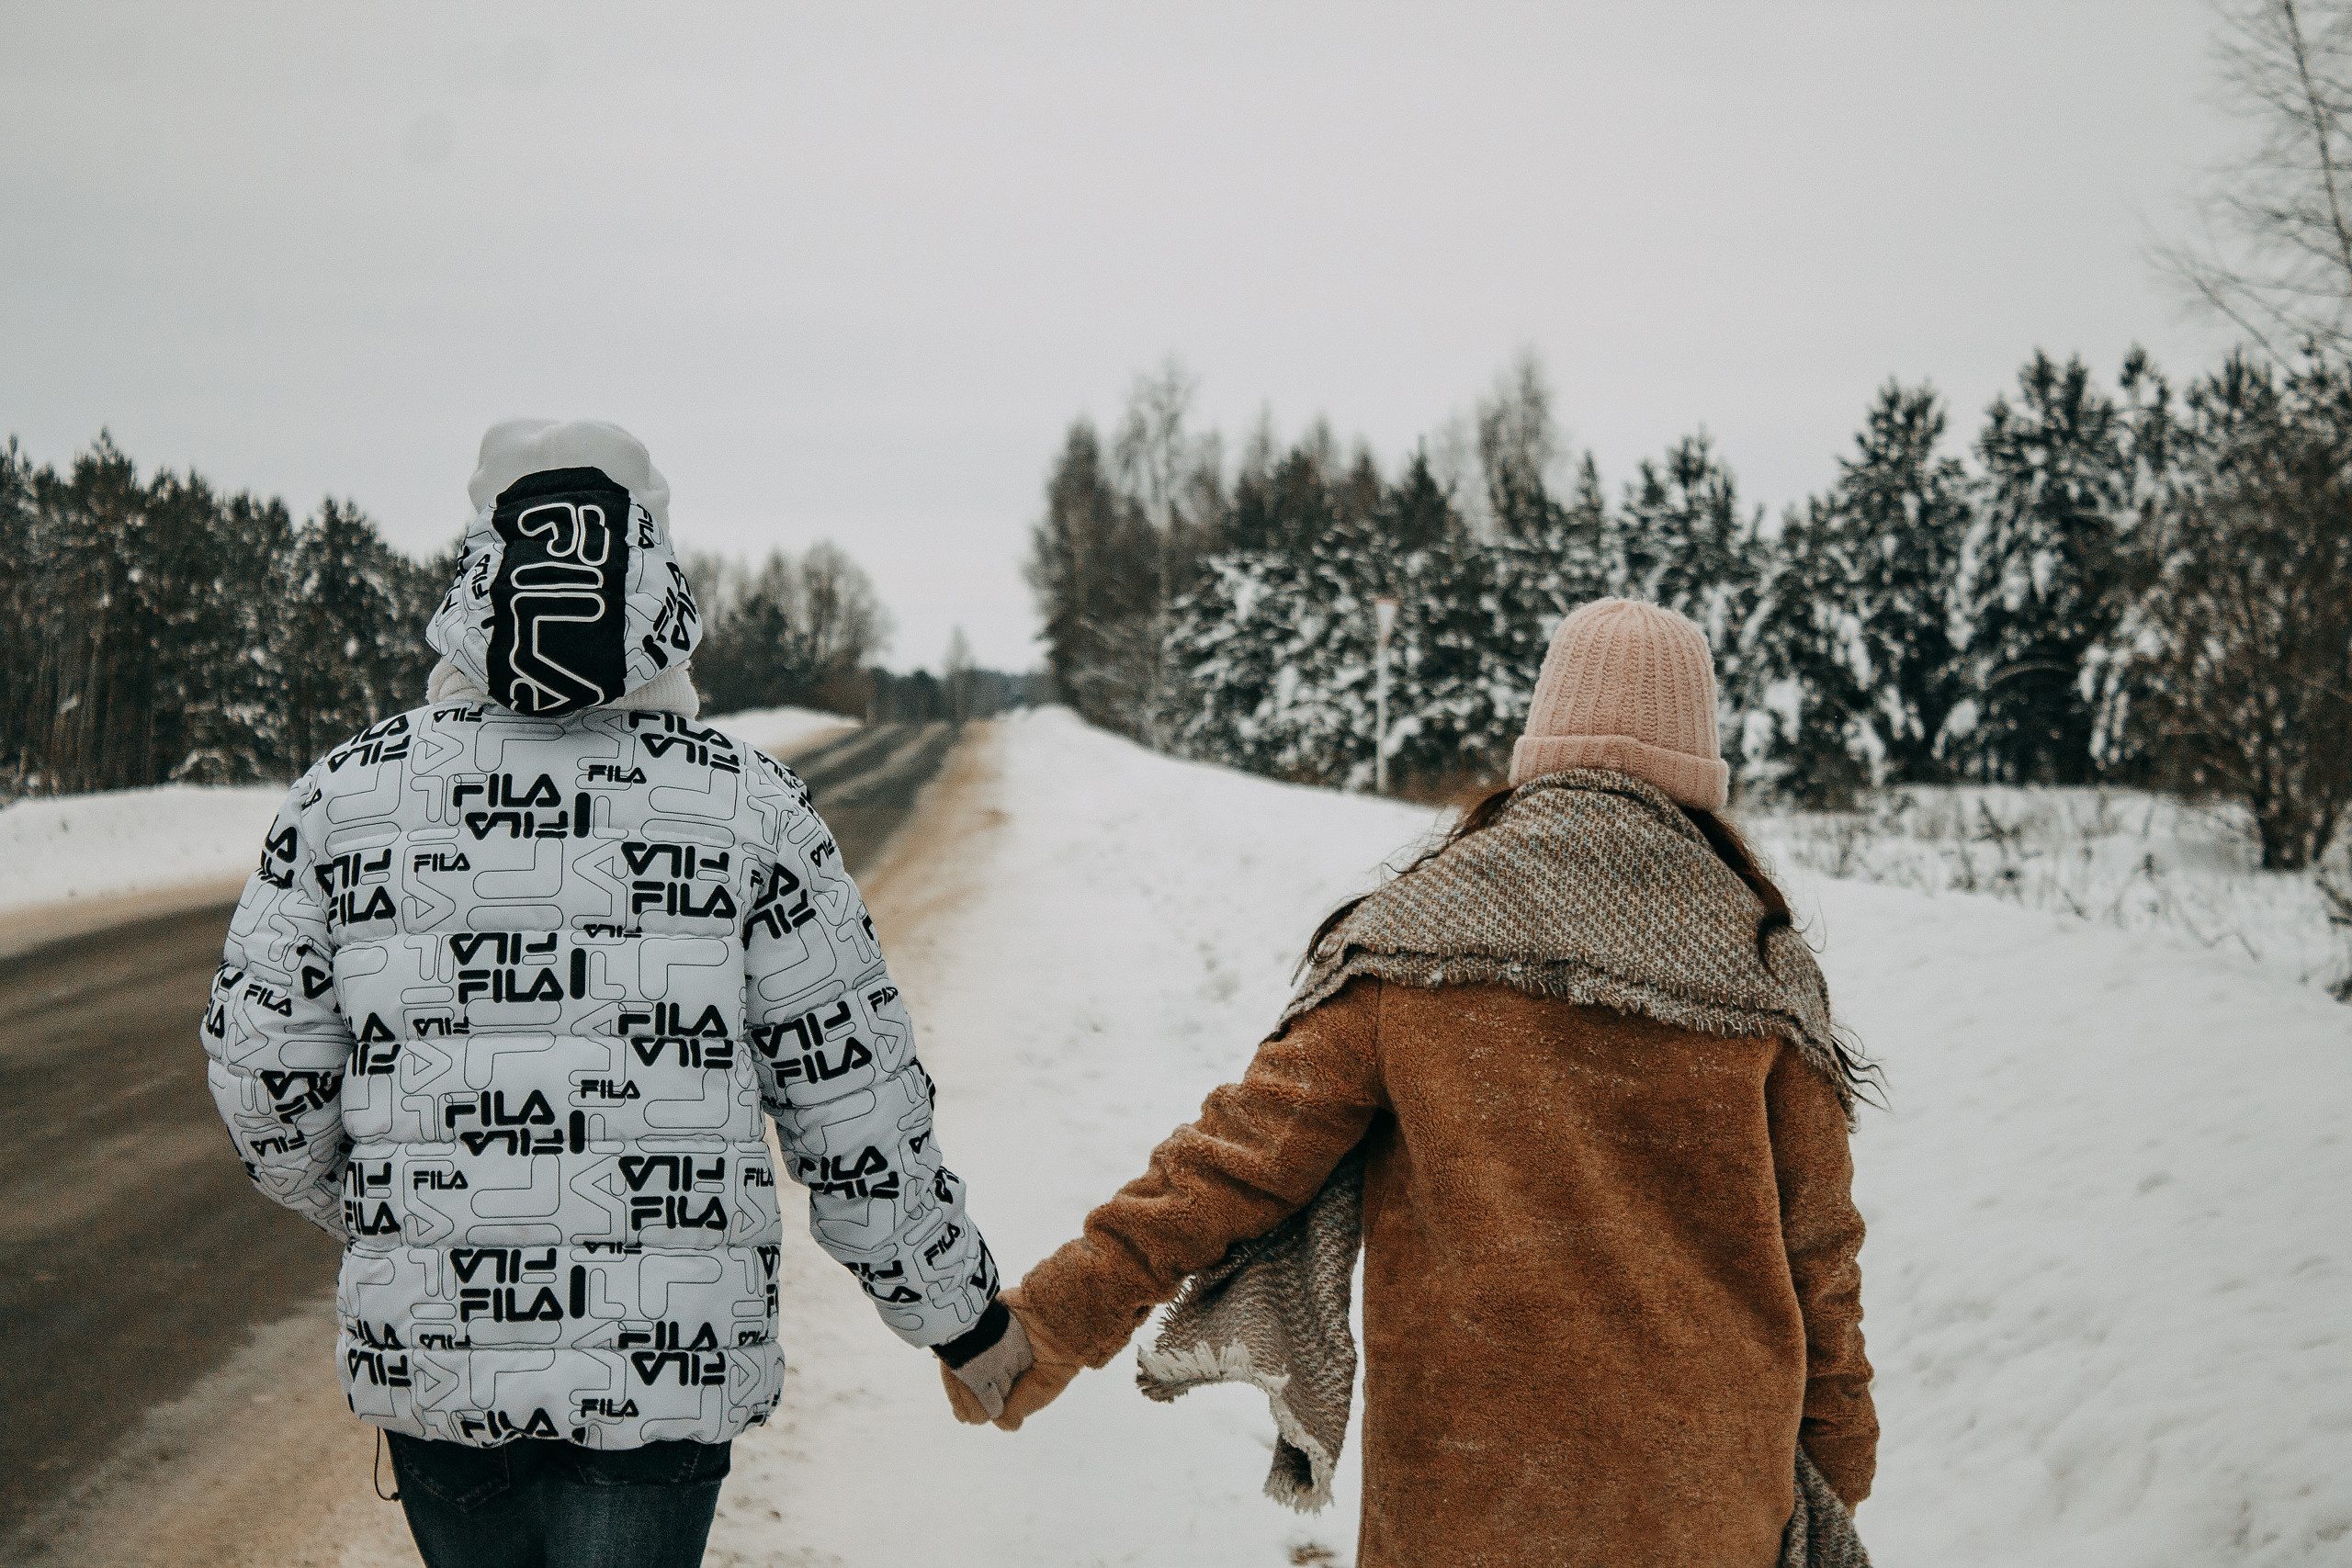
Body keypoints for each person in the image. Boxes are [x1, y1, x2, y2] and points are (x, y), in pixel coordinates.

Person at [201, 420, 1033, 1568]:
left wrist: (408, 1214)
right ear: (654, 570)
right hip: (668, 1373)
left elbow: (265, 1089)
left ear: (481, 560)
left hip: (440, 1368)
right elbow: (854, 1110)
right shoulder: (747, 806)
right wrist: (964, 1319)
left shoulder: (347, 795)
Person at [953, 599, 1878, 1567]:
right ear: (1701, 762)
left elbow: (1230, 1166)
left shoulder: (1412, 940)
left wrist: (1049, 1323)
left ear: (1542, 734)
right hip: (1712, 1508)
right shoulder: (1765, 970)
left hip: (1465, 1503)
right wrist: (1834, 1480)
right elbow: (1821, 1267)